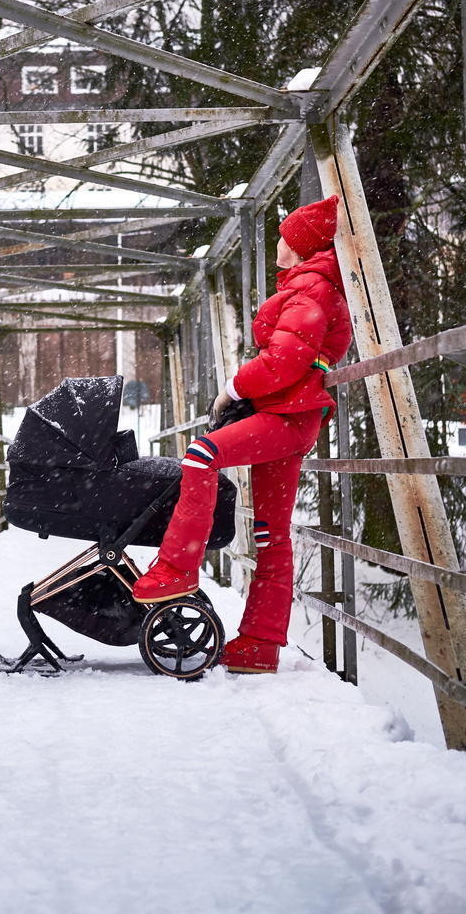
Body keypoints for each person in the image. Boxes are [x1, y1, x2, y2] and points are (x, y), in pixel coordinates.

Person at [132, 194, 352, 674]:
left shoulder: (312, 288)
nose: (278, 243)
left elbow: (284, 361)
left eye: (285, 236)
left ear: (301, 246)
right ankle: (259, 644)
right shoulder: (312, 286)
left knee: (202, 455)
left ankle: (177, 567)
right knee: (271, 535)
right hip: (290, 415)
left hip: (286, 416)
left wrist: (231, 389)